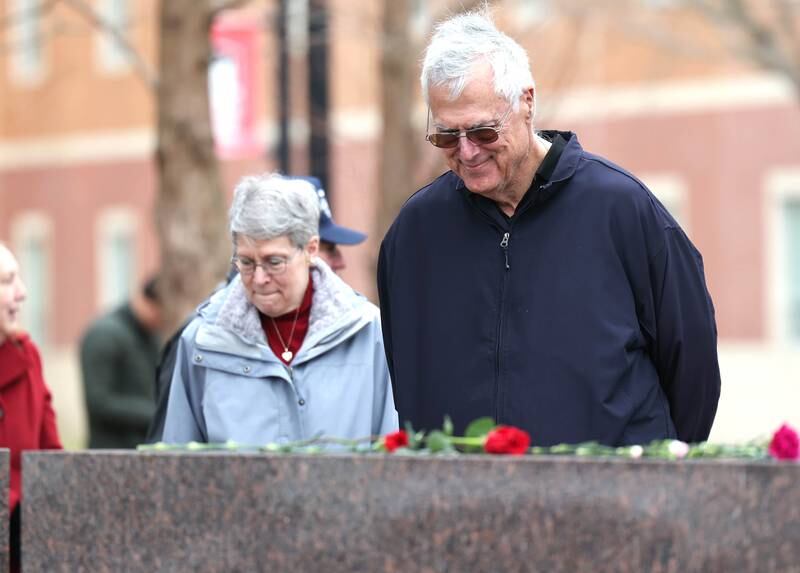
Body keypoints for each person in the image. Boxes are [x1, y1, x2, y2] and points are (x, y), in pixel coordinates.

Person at [377, 10, 721, 446]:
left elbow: (693, 367)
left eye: (482, 132)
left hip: (609, 500)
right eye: (446, 136)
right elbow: (406, 379)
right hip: (461, 503)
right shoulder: (415, 233)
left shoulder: (623, 209)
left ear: (526, 102)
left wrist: (653, 478)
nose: (465, 152)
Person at [162, 173, 396, 445]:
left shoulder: (368, 332)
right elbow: (177, 462)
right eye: (246, 262)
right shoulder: (202, 341)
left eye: (274, 262)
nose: (259, 278)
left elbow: (391, 449)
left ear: (310, 249)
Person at [0, 242, 62, 573]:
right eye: (8, 281)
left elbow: (51, 454)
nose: (22, 293)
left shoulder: (27, 357)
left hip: (26, 545)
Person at [80, 277, 162, 448]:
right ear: (147, 302)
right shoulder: (104, 335)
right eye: (160, 312)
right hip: (109, 453)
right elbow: (99, 402)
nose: (161, 321)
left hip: (141, 449)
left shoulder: (150, 335)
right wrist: (155, 413)